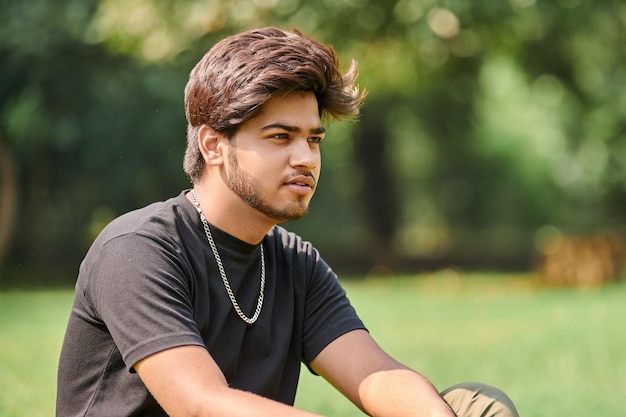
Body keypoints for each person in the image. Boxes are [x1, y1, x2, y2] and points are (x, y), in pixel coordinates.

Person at [56, 27, 520, 417]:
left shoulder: (294, 262)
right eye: (281, 137)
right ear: (213, 145)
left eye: (314, 139)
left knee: (476, 407)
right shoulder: (138, 249)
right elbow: (200, 404)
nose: (306, 159)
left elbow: (375, 376)